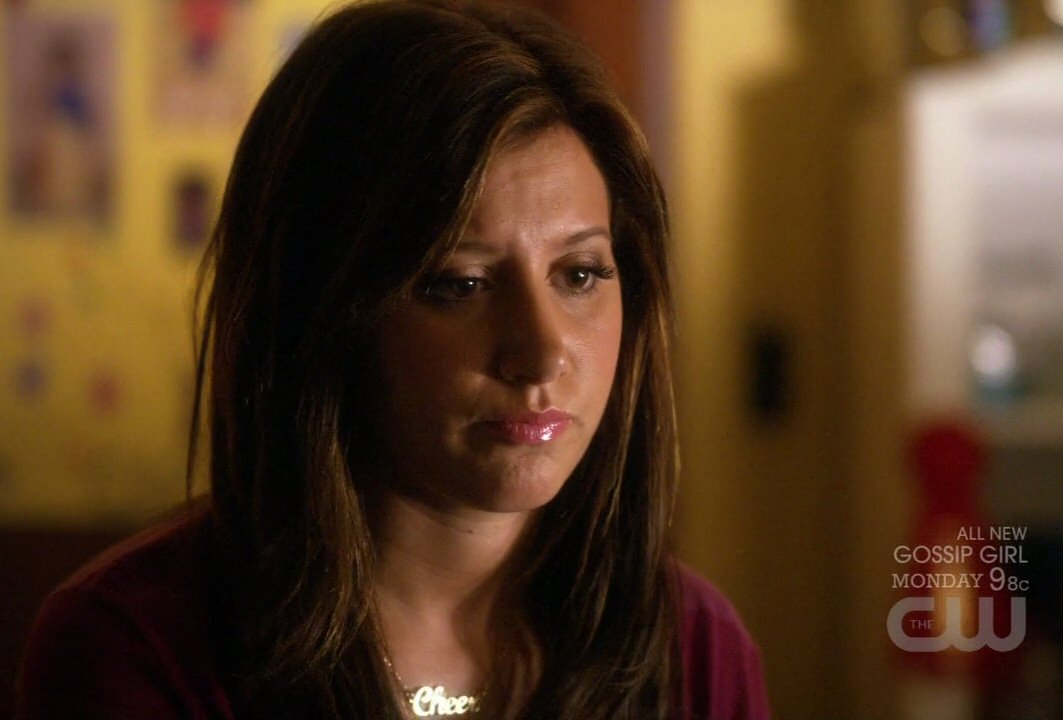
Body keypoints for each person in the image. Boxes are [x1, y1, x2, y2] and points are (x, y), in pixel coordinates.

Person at [16, 1, 770, 718]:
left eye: (579, 275)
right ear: (325, 308)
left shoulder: (693, 650)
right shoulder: (137, 651)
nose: (542, 353)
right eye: (461, 284)